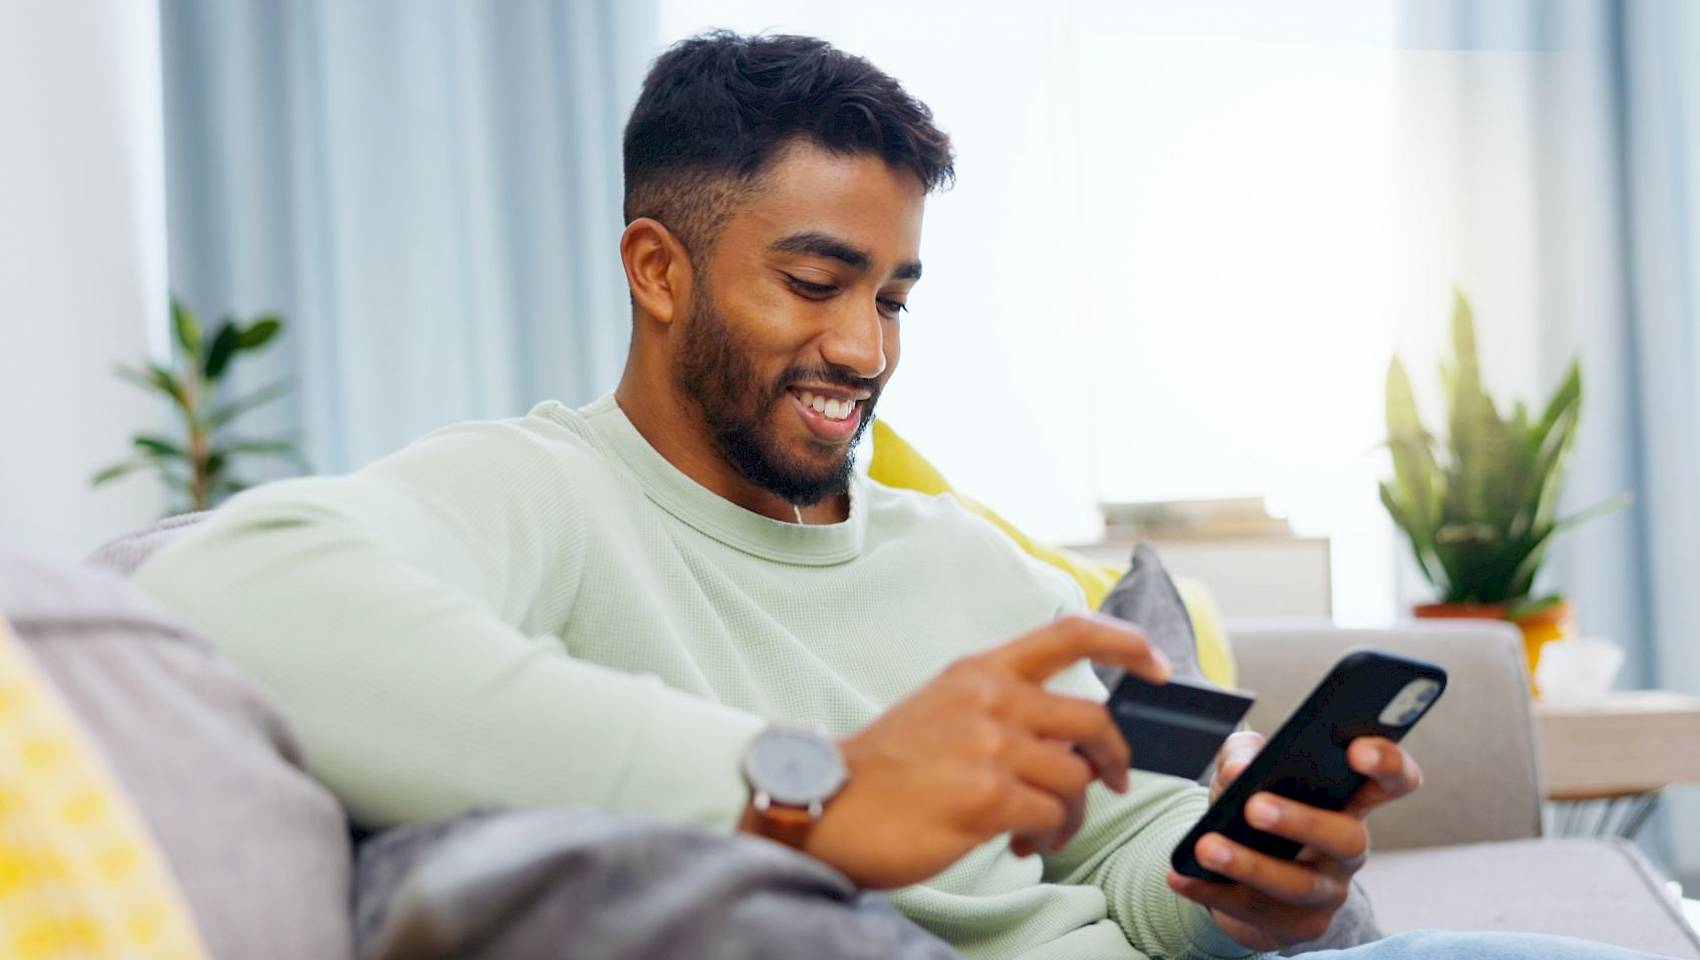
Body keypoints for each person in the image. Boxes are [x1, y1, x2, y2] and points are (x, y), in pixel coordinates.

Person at [137, 31, 1674, 960]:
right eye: (816, 283)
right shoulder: (540, 493)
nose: (865, 350)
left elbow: (1128, 871)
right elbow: (226, 589)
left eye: (898, 295)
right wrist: (804, 786)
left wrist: (1241, 886)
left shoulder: (970, 568)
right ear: (657, 271)